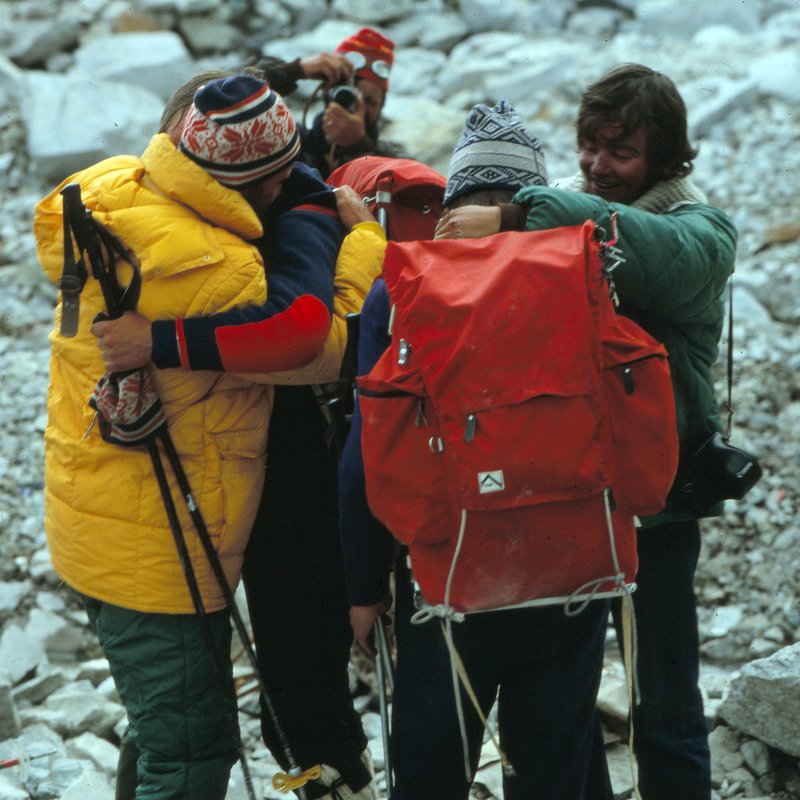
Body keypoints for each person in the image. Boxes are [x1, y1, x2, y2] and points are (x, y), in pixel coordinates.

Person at [434, 64, 738, 800]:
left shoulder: (702, 232)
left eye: (620, 152)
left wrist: (515, 215)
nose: (598, 166)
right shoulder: (570, 221)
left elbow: (648, 253)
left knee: (662, 700)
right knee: (560, 705)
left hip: (655, 510)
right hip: (570, 505)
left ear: (665, 159)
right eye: (588, 147)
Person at [32, 74, 332, 799]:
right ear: (256, 180)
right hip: (161, 555)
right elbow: (319, 345)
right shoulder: (220, 268)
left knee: (161, 729)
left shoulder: (114, 190)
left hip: (96, 520)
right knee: (193, 755)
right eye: (282, 175)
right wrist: (344, 233)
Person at [93, 71, 384, 800]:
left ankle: (327, 785)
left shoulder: (297, 212)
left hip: (292, 475)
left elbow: (305, 335)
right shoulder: (177, 218)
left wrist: (156, 342)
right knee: (180, 708)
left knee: (296, 681)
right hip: (213, 473)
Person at [337, 101, 613, 800]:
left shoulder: (401, 295)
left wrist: (365, 589)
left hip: (452, 576)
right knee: (555, 771)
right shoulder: (585, 275)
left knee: (431, 775)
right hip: (574, 569)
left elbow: (367, 453)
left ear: (452, 204)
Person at [255, 27, 402, 179]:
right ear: (326, 92)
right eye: (348, 96)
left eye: (370, 101)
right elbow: (235, 97)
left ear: (382, 106)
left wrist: (358, 149)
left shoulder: (393, 163)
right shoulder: (293, 143)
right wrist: (295, 71)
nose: (359, 108)